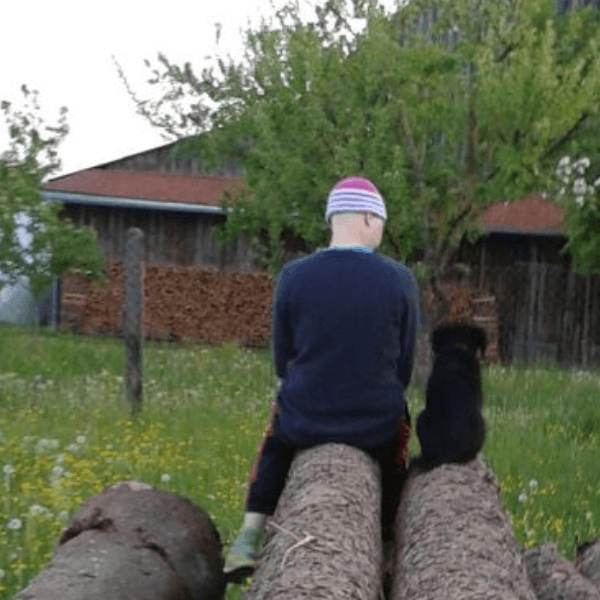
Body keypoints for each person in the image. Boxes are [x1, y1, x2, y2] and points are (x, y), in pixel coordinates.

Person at [224, 176, 420, 580]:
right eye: (380, 221)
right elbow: (405, 365)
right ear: (368, 218)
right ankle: (386, 543)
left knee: (274, 445)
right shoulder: (400, 280)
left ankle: (248, 535)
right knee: (401, 447)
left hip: (305, 420)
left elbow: (283, 360)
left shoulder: (293, 277)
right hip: (377, 424)